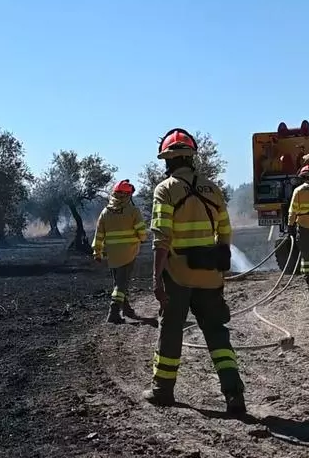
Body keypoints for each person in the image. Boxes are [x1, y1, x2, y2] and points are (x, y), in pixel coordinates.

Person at [145, 127, 246, 415]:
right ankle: (234, 394)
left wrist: (156, 278)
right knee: (217, 332)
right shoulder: (212, 189)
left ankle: (162, 390)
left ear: (168, 161)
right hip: (210, 274)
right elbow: (225, 232)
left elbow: (161, 237)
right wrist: (220, 268)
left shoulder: (165, 190)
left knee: (171, 330)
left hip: (178, 276)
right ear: (191, 158)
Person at [92, 179, 149, 324]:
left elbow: (98, 234)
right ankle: (113, 312)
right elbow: (142, 233)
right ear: (127, 195)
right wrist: (142, 238)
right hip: (128, 254)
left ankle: (127, 310)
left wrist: (97, 252)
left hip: (111, 255)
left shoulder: (105, 212)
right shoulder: (133, 211)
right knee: (121, 284)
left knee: (118, 282)